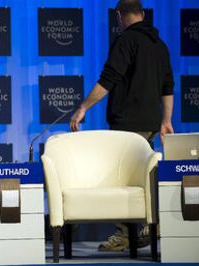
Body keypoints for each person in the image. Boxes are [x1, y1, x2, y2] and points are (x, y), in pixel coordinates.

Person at [70, 0, 174, 251]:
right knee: (143, 176)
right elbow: (168, 85)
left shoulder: (125, 41)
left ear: (119, 16)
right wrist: (166, 120)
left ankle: (124, 235)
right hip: (150, 123)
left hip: (127, 123)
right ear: (142, 14)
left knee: (124, 179)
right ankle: (146, 227)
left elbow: (108, 80)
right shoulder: (159, 45)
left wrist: (83, 107)